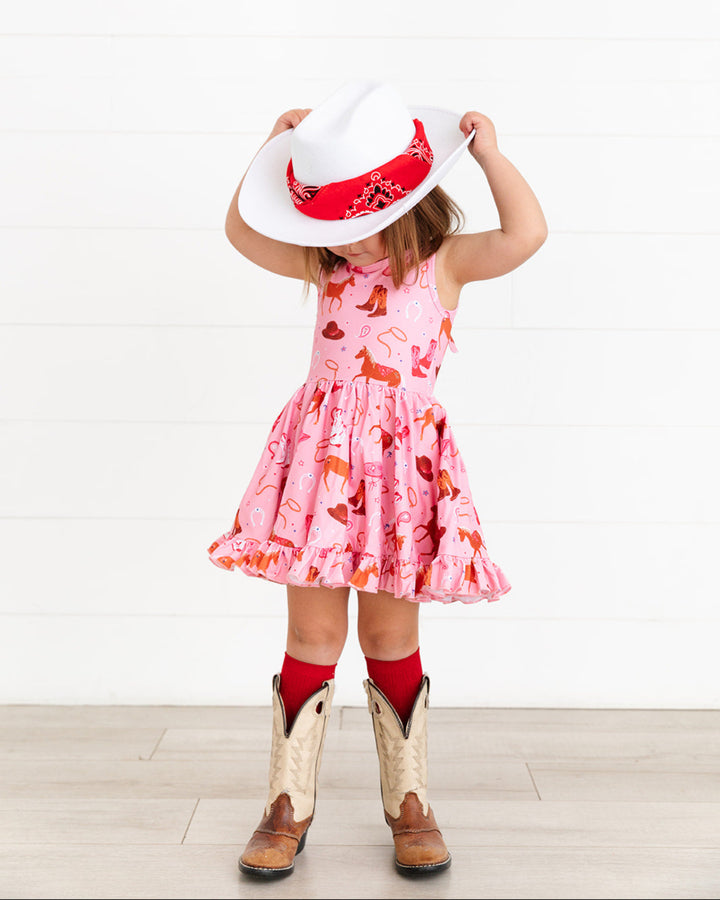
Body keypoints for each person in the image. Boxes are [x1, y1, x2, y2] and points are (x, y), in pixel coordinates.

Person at [207, 80, 547, 878]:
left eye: (361, 223)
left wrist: (490, 155)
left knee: (390, 637)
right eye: (332, 222)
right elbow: (239, 233)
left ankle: (409, 801)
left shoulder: (446, 265)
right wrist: (269, 149)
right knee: (310, 637)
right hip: (319, 482)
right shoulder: (321, 266)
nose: (349, 240)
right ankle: (287, 804)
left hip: (400, 482)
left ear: (412, 201)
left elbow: (527, 233)